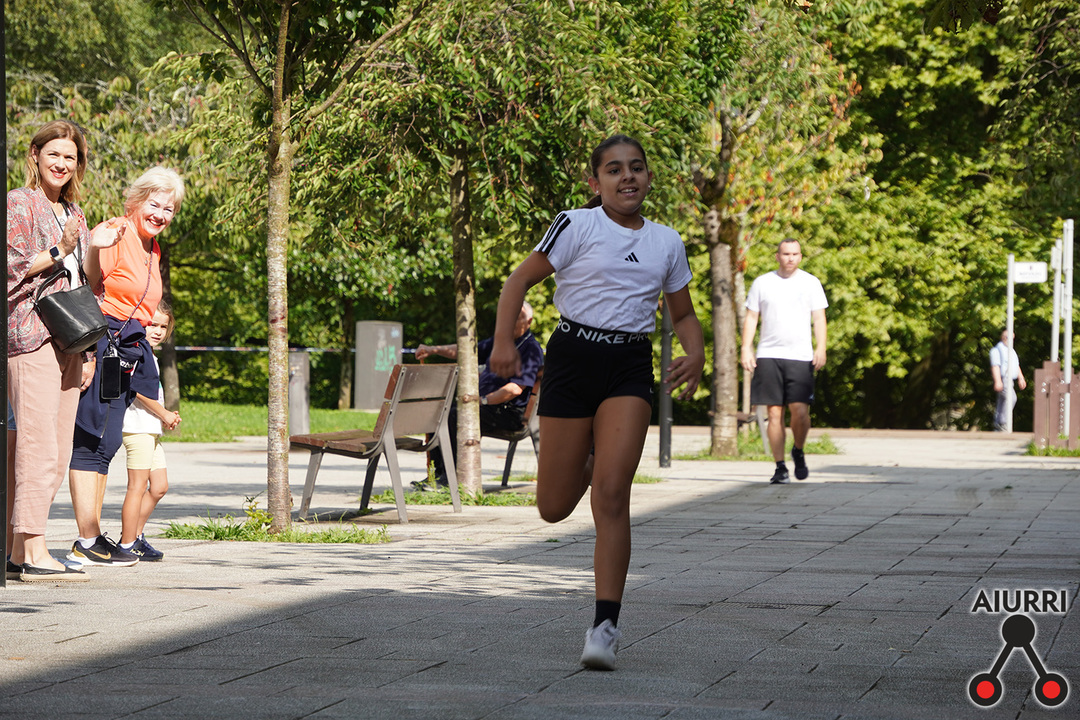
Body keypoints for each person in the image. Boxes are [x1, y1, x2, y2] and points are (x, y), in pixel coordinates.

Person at [488, 135, 704, 670]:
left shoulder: (666, 241)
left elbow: (681, 314)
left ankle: (605, 626)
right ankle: (590, 459)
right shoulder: (575, 224)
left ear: (648, 177)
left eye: (636, 167)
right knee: (553, 508)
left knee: (611, 495)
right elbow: (518, 281)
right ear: (595, 182)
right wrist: (503, 344)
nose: (627, 176)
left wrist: (696, 354)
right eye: (614, 169)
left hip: (629, 365)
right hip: (572, 361)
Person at [67, 166, 185, 568]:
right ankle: (86, 539)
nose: (161, 214)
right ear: (135, 202)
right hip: (104, 339)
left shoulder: (152, 247)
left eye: (169, 209)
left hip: (126, 349)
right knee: (92, 437)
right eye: (155, 204)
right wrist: (88, 354)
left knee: (108, 442)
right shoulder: (116, 231)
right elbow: (90, 282)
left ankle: (93, 536)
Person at [6, 120, 94, 581]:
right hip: (31, 334)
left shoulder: (75, 212)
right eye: (54, 154)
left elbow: (82, 282)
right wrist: (60, 249)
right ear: (35, 155)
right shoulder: (17, 203)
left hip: (72, 339)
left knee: (58, 450)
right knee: (36, 446)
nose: (61, 163)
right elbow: (12, 268)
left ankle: (17, 551)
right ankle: (35, 550)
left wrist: (90, 351)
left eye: (70, 157)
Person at [414, 302, 544, 486]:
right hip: (486, 406)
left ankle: (451, 478)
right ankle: (436, 475)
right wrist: (433, 350)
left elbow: (515, 389)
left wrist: (482, 401)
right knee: (438, 412)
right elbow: (466, 350)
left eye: (517, 317)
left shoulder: (531, 349)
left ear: (528, 321)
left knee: (456, 415)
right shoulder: (500, 342)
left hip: (508, 412)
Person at [741, 238, 828, 484]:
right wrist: (746, 348)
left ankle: (798, 450)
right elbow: (751, 317)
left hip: (800, 355)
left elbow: (819, 318)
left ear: (800, 256)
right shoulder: (762, 283)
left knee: (800, 412)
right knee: (774, 412)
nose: (790, 258)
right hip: (769, 354)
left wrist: (821, 347)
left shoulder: (811, 283)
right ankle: (780, 467)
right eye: (786, 254)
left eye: (795, 254)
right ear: (777, 256)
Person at [118, 302, 181, 560]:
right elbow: (135, 389)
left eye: (163, 327)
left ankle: (135, 536)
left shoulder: (150, 354)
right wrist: (164, 413)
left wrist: (163, 416)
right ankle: (126, 544)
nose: (157, 331)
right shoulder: (135, 351)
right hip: (136, 428)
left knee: (159, 487)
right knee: (137, 487)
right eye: (152, 324)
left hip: (150, 428)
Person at [990, 329, 1026, 432]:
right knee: (1011, 398)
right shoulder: (997, 350)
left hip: (1010, 380)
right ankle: (1003, 422)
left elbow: (1016, 365)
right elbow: (995, 366)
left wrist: (1021, 378)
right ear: (1005, 338)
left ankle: (998, 423)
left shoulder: (1011, 351)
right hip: (1003, 378)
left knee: (1003, 401)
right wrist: (998, 381)